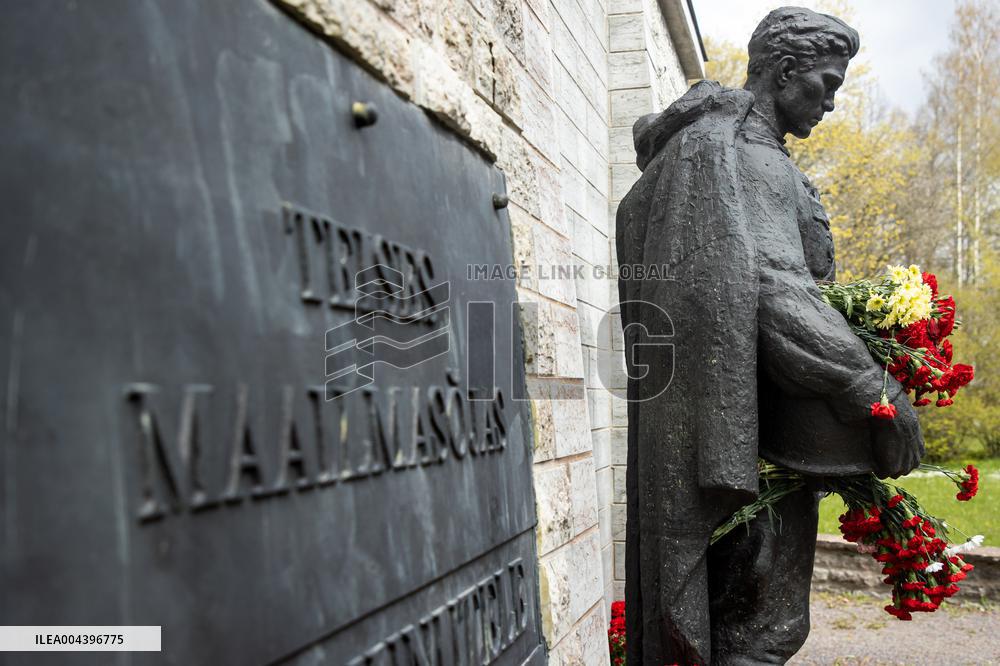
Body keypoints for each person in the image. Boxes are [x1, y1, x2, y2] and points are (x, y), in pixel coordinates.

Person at [615, 7, 924, 664]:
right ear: (785, 72)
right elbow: (774, 293)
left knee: (757, 627)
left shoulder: (738, 153)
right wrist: (875, 389)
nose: (832, 104)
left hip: (759, 438)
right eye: (826, 84)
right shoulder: (746, 161)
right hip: (752, 450)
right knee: (758, 634)